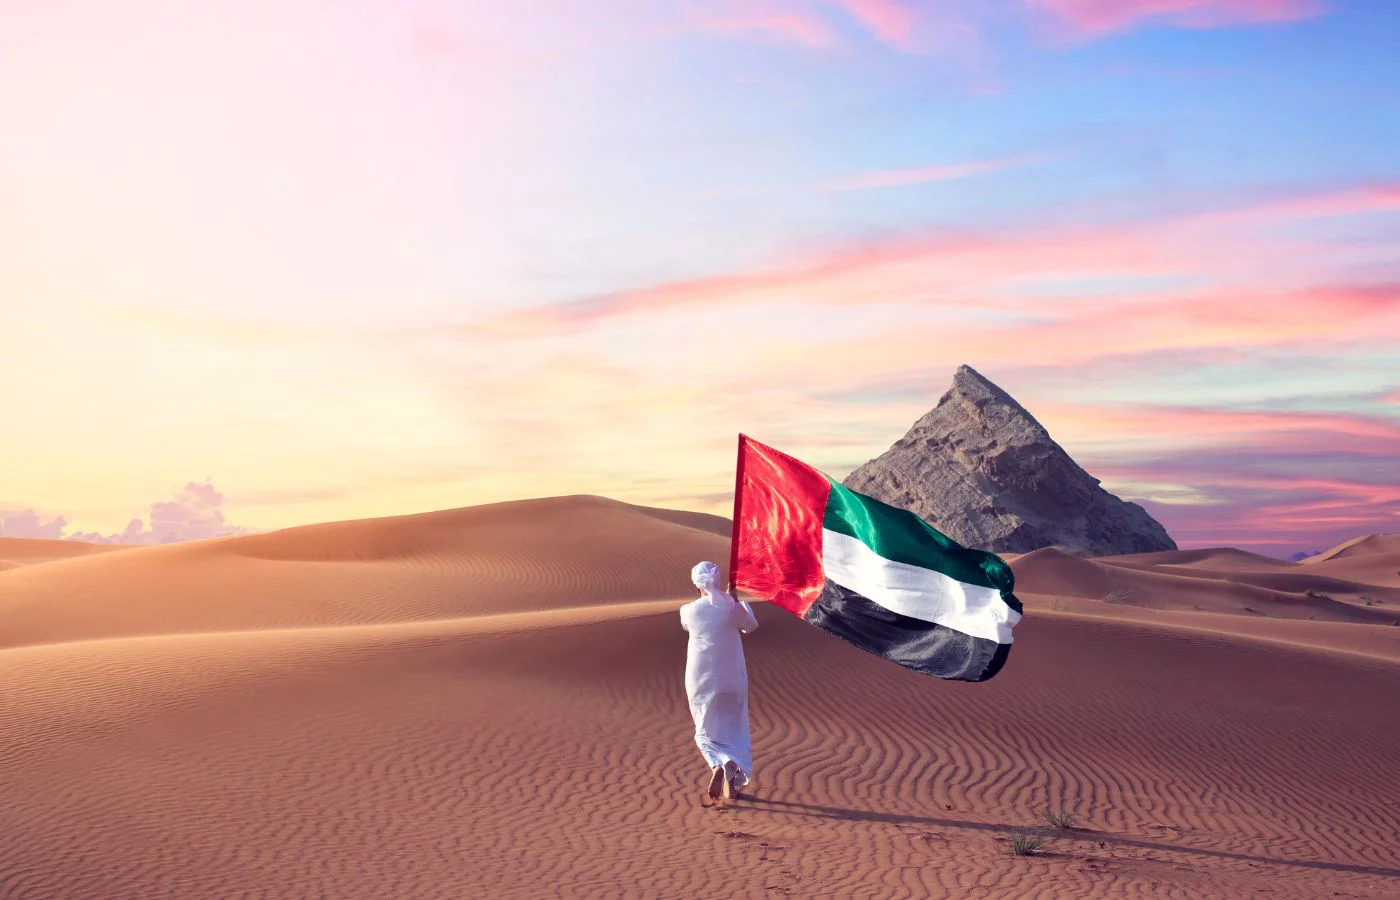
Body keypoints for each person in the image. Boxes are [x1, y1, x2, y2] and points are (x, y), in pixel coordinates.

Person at [680, 560, 760, 806]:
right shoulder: (731, 607)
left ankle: (717, 763)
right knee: (735, 727)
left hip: (700, 679)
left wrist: (726, 601)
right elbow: (751, 626)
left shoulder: (687, 610)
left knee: (705, 730)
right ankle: (731, 784)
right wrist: (735, 602)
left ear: (697, 585)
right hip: (732, 677)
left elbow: (688, 626)